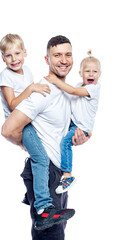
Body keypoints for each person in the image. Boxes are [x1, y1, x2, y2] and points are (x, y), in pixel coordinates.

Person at [1, 35, 91, 239]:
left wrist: (79, 137)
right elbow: (8, 129)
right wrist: (29, 146)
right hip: (46, 172)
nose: (63, 60)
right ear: (46, 59)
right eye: (57, 55)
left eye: (67, 54)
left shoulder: (67, 92)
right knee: (51, 235)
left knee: (56, 233)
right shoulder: (44, 92)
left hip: (58, 172)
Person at [0, 33, 58, 229]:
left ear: (25, 53)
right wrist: (31, 88)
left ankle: (30, 193)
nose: (14, 59)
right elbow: (14, 105)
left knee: (42, 153)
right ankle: (42, 208)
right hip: (20, 124)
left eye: (17, 53)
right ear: (2, 58)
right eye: (8, 55)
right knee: (41, 159)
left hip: (31, 120)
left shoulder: (28, 71)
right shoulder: (5, 76)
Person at [45, 50, 101, 194]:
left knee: (65, 143)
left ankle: (67, 176)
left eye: (95, 71)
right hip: (72, 123)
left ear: (99, 74)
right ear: (80, 73)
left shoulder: (93, 88)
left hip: (81, 127)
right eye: (87, 71)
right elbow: (70, 96)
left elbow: (73, 92)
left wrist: (56, 81)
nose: (91, 74)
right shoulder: (78, 84)